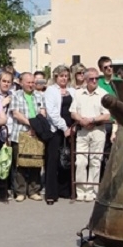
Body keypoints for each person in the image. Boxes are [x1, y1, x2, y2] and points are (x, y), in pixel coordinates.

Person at [70, 68, 110, 201]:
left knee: (95, 161)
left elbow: (107, 115)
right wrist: (81, 120)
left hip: (98, 130)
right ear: (86, 80)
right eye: (91, 79)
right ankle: (81, 192)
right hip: (82, 131)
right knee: (80, 161)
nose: (94, 81)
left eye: (96, 78)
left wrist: (92, 120)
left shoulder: (103, 94)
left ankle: (92, 192)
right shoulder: (78, 93)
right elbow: (73, 112)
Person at [9, 72, 46, 202]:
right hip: (20, 132)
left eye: (33, 82)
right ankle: (20, 191)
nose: (31, 85)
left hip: (36, 134)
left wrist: (37, 126)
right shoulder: (15, 95)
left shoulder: (39, 95)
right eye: (28, 82)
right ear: (21, 82)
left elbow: (42, 112)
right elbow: (16, 113)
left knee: (36, 162)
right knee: (20, 163)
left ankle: (34, 190)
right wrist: (31, 124)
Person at [44, 65, 75, 204]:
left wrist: (72, 127)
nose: (64, 78)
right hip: (55, 129)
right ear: (56, 76)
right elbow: (52, 112)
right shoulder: (51, 90)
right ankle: (51, 193)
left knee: (68, 158)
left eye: (66, 76)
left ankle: (65, 190)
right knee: (53, 160)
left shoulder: (72, 91)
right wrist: (64, 127)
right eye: (61, 75)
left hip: (71, 129)